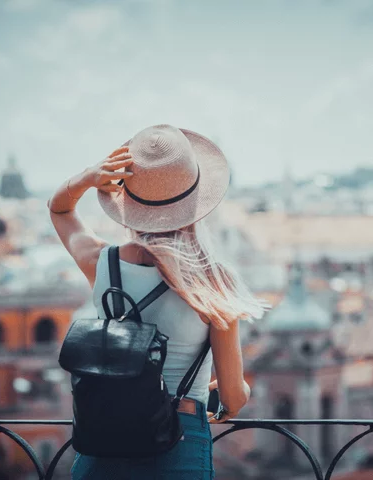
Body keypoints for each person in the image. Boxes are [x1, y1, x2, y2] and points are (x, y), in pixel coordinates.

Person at [47, 124, 268, 479]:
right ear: (197, 201)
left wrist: (86, 178)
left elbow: (59, 211)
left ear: (129, 202)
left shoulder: (103, 262)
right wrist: (228, 389)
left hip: (103, 435)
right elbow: (233, 397)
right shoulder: (211, 280)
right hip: (177, 441)